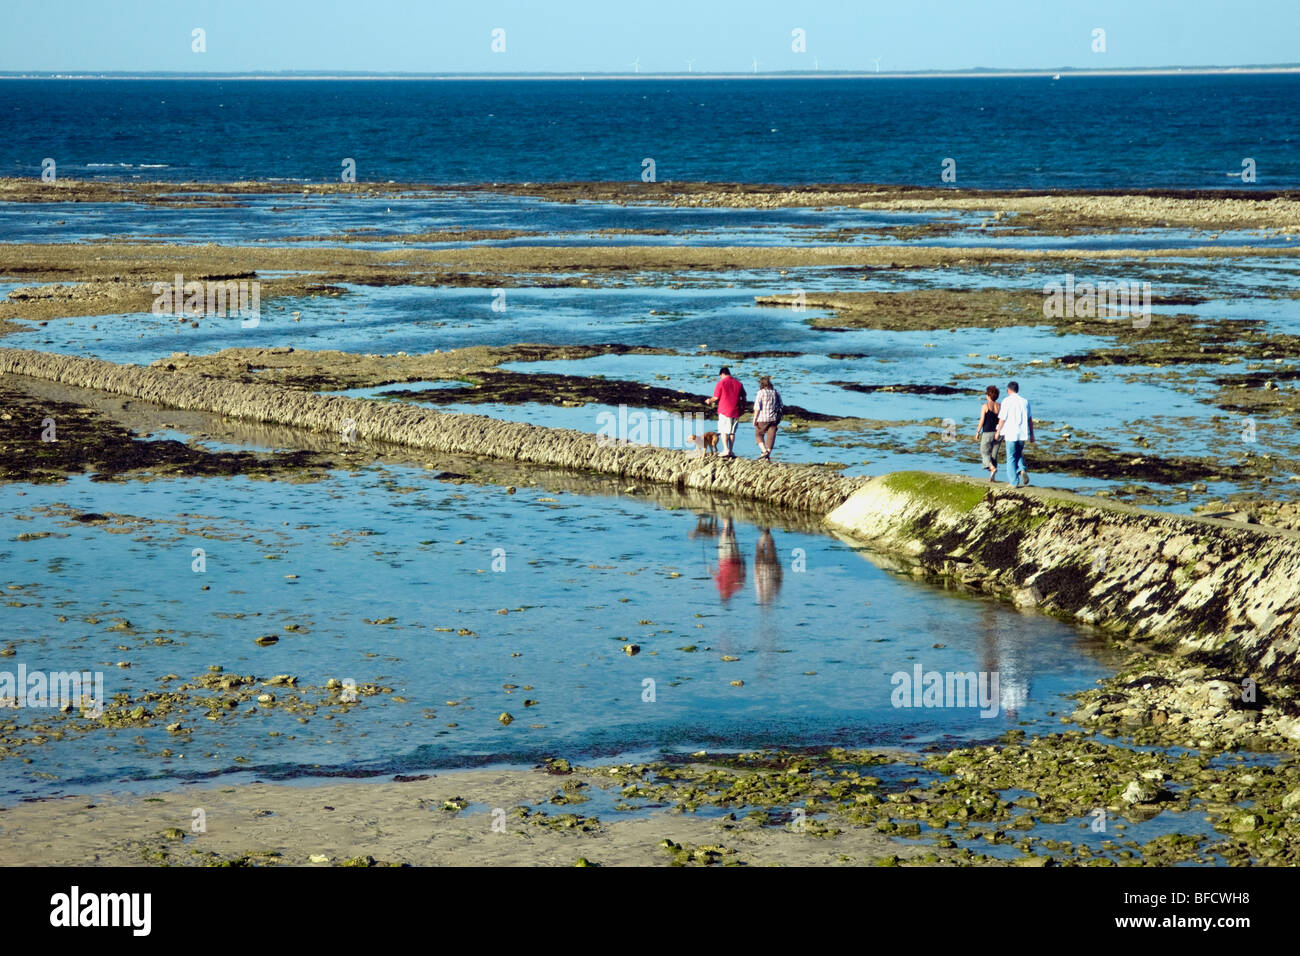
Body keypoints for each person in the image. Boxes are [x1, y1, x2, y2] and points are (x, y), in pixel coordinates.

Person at [994, 380, 1034, 487]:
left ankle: (1013, 482)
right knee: (1018, 453)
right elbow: (1029, 419)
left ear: (1008, 390)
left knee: (1011, 457)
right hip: (1022, 433)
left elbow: (1002, 419)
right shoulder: (1025, 401)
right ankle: (1022, 470)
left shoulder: (1006, 401)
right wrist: (1032, 434)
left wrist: (998, 432)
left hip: (1011, 433)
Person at [704, 366, 746, 458]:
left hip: (724, 410)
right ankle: (731, 450)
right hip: (736, 410)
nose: (720, 377)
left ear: (722, 374)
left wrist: (709, 400)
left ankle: (725, 449)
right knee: (732, 432)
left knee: (723, 431)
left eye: (720, 376)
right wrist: (742, 408)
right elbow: (744, 396)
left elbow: (716, 398)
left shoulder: (721, 383)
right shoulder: (739, 383)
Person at [751, 375, 784, 461]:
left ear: (761, 384)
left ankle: (764, 451)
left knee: (758, 434)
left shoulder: (760, 392)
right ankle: (767, 456)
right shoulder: (775, 392)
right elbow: (781, 405)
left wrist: (754, 419)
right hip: (773, 418)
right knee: (771, 437)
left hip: (762, 418)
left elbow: (757, 407)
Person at [973, 385, 1001, 482]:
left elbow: (982, 420)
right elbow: (1000, 420)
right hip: (998, 432)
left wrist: (977, 432)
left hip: (988, 432)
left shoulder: (985, 406)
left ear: (988, 395)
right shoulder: (999, 406)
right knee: (993, 455)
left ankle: (992, 469)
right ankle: (992, 476)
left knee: (984, 451)